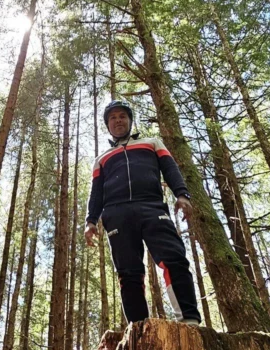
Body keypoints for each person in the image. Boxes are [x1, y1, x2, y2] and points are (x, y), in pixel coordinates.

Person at [84, 99, 202, 325]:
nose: (118, 120)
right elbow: (96, 193)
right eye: (113, 118)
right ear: (108, 125)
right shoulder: (102, 158)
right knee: (128, 273)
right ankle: (138, 330)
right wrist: (91, 221)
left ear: (129, 120)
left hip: (152, 206)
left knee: (174, 259)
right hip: (116, 214)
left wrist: (182, 195)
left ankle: (189, 321)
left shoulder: (152, 143)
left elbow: (170, 168)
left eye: (122, 116)